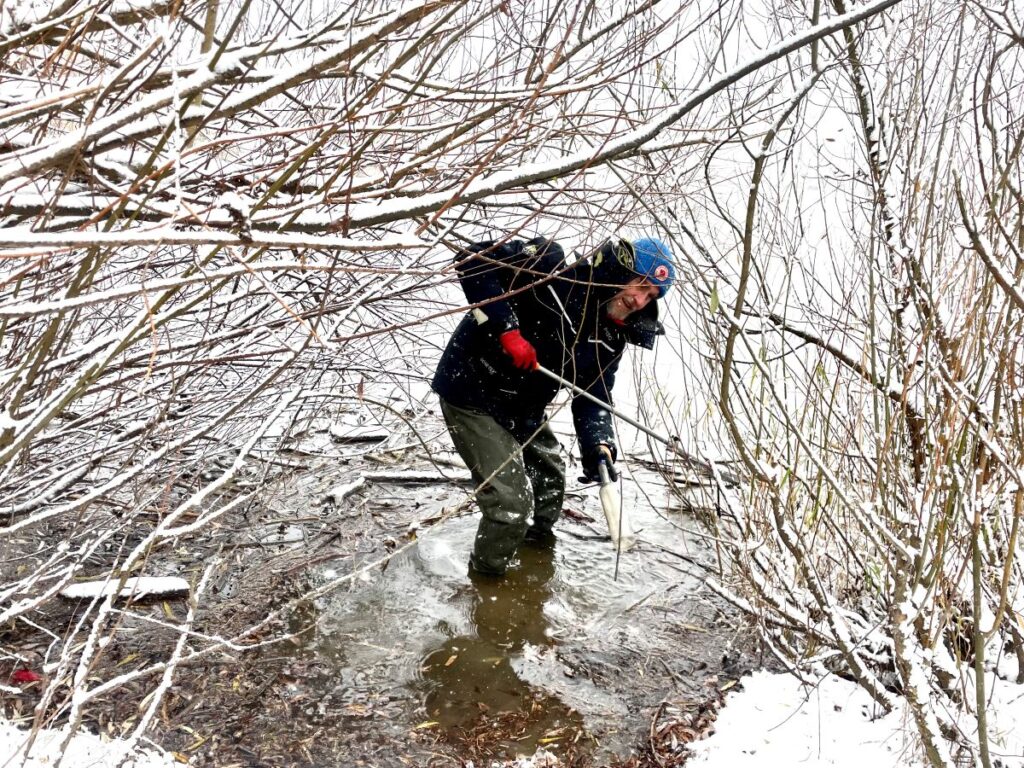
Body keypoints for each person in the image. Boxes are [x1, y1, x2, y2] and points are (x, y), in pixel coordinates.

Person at [431, 235, 675, 576]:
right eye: (640, 284)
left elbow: (593, 395)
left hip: (525, 405)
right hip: (473, 392)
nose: (639, 300)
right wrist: (508, 331)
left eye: (650, 295)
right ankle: (487, 584)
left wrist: (599, 445)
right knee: (510, 506)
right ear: (619, 269)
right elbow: (473, 260)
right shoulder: (550, 271)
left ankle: (533, 563)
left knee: (550, 485)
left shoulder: (613, 334)